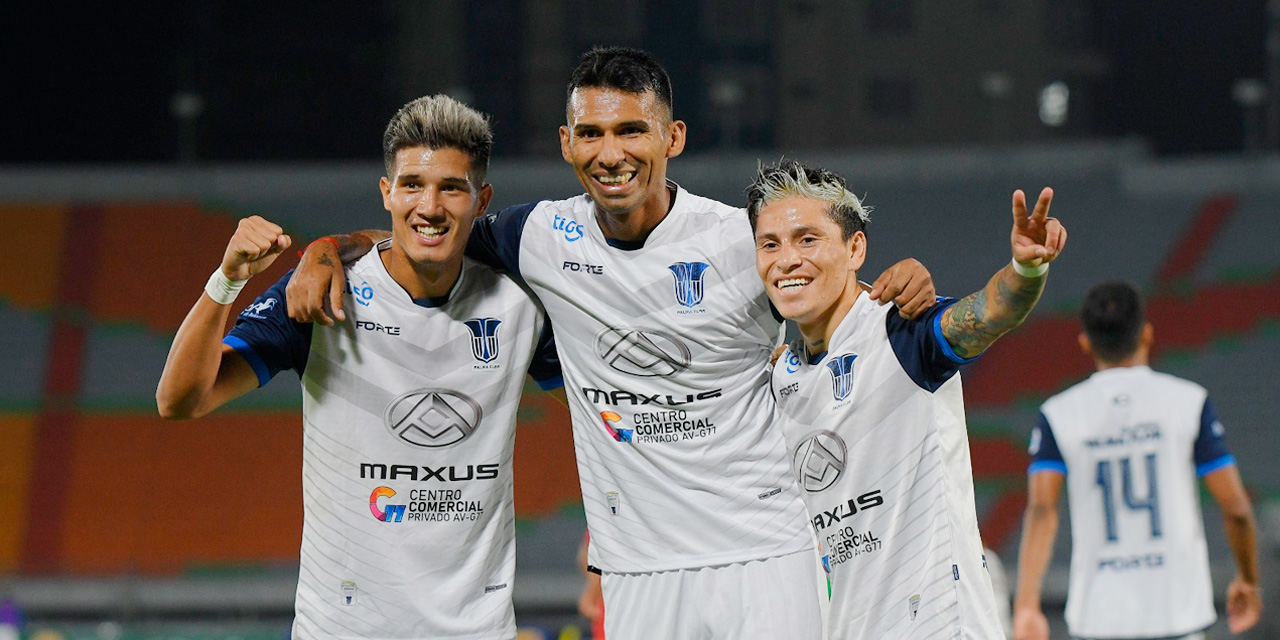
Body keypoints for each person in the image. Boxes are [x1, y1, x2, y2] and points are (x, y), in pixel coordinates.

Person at [285, 47, 937, 639]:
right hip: (634, 572)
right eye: (592, 133)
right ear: (568, 144)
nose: (611, 151)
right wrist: (323, 251)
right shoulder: (538, 235)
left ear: (672, 137)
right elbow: (426, 235)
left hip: (765, 550)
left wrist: (897, 282)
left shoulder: (739, 239)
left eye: (631, 129)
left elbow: (832, 300)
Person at [156, 95, 562, 639]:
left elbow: (604, 409)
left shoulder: (519, 305)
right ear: (386, 193)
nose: (430, 206)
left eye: (452, 188)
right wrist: (227, 279)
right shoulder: (324, 293)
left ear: (480, 199)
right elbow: (180, 401)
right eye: (413, 185)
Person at [748, 159, 1066, 638]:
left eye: (807, 239)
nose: (787, 259)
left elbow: (991, 312)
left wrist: (1026, 267)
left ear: (855, 248)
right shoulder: (782, 376)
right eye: (770, 244)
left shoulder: (901, 331)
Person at [1012, 281, 1261, 640]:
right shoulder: (1188, 402)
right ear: (1146, 334)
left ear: (1085, 342)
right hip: (1178, 616)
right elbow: (1236, 508)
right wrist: (1249, 581)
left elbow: (1041, 510)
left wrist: (1026, 606)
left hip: (1099, 620)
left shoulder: (1059, 413)